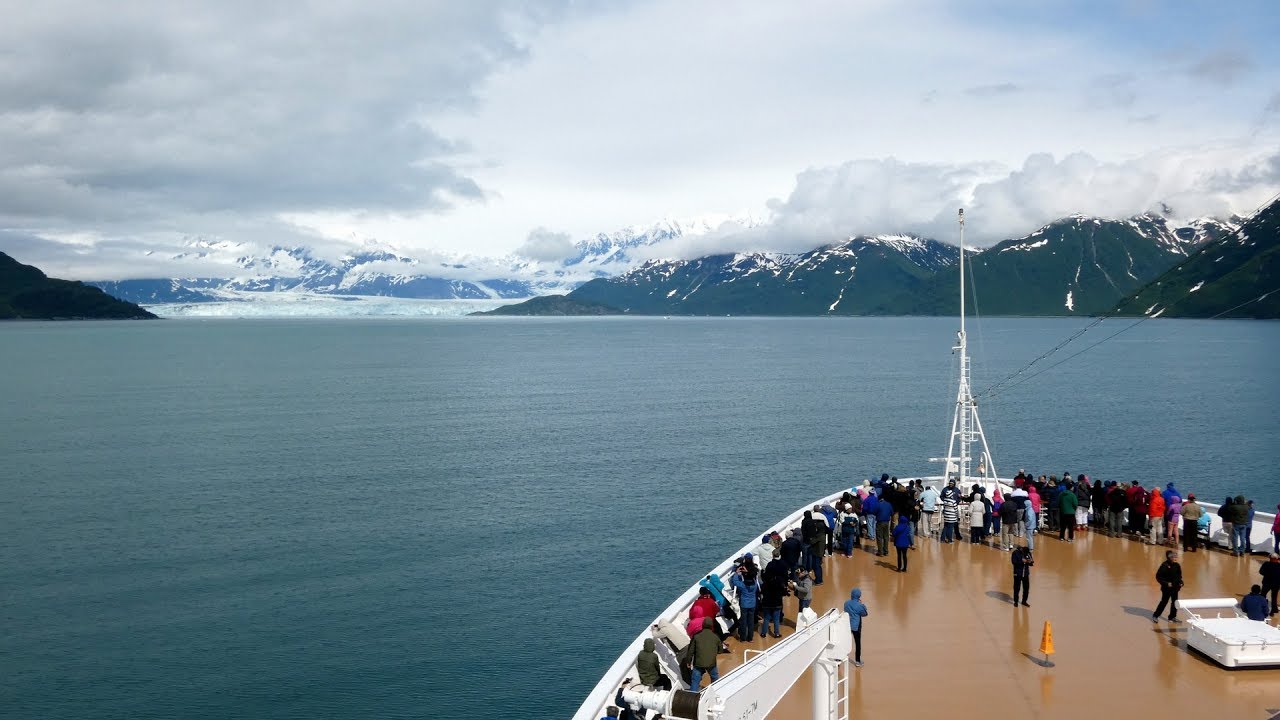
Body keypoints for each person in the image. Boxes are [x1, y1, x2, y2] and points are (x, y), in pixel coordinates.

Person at [729, 559, 760, 641]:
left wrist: (737, 573)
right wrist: (748, 572)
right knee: (750, 622)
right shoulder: (754, 585)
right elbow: (753, 577)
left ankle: (743, 638)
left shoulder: (742, 585)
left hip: (744, 605)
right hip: (752, 604)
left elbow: (735, 581)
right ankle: (750, 638)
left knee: (743, 622)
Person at [760, 556, 788, 638]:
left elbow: (762, 591)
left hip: (767, 603)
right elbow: (783, 592)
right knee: (776, 619)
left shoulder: (764, 584)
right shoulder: (778, 582)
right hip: (776, 603)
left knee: (766, 618)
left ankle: (763, 633)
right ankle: (776, 633)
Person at [1153, 550, 1184, 622]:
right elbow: (1158, 577)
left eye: (1176, 556)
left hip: (1175, 588)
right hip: (1166, 589)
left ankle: (1172, 617)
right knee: (1164, 602)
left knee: (1175, 603)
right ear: (1169, 557)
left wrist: (1181, 582)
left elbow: (1179, 576)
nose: (1175, 558)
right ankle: (1155, 615)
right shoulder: (1164, 565)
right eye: (1173, 557)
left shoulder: (1177, 565)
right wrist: (1166, 583)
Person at [690, 617, 720, 689]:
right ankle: (714, 690)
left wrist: (688, 661)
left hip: (698, 663)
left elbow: (691, 651)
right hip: (711, 663)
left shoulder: (696, 636)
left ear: (702, 625)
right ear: (711, 626)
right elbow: (720, 650)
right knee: (715, 677)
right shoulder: (715, 637)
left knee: (695, 681)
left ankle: (692, 697)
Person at [844, 588, 868, 667]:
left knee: (844, 641)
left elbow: (845, 610)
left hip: (847, 624)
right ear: (859, 596)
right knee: (857, 644)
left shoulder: (846, 603)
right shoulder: (860, 605)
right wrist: (862, 605)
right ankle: (858, 661)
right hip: (856, 627)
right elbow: (864, 614)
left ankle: (839, 659)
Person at [874, 492, 894, 557]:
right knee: (886, 537)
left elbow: (874, 512)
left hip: (880, 522)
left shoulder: (878, 504)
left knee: (879, 537)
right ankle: (886, 551)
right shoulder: (889, 504)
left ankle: (880, 552)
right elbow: (892, 513)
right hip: (887, 522)